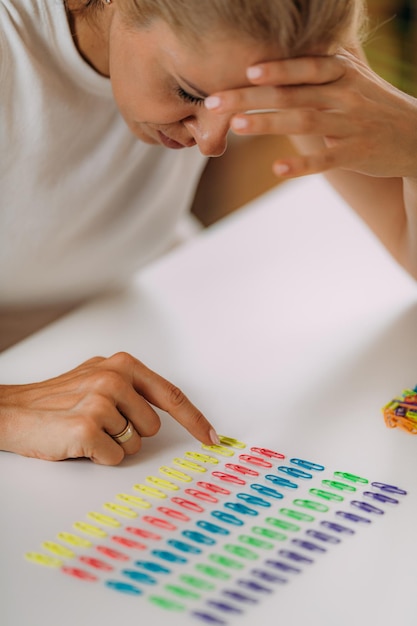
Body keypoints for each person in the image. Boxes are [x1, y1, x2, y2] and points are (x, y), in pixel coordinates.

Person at [1, 0, 415, 465]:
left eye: (249, 104)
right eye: (189, 93)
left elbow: (407, 246)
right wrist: (7, 410)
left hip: (149, 312)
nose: (212, 142)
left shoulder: (283, 24)